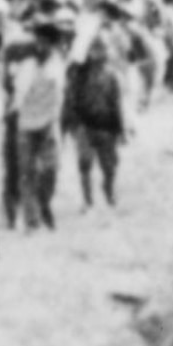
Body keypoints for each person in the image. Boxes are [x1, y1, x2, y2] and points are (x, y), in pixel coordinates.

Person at [65, 29, 130, 210]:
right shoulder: (78, 75)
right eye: (95, 50)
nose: (98, 54)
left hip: (106, 125)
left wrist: (121, 130)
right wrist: (72, 124)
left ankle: (108, 190)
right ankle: (87, 200)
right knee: (84, 164)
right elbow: (71, 100)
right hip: (84, 125)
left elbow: (117, 104)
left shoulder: (112, 76)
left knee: (109, 166)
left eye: (101, 50)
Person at [12, 24, 67, 232]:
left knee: (51, 169)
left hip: (49, 122)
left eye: (45, 42)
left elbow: (60, 95)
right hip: (26, 122)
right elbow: (19, 93)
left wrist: (57, 118)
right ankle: (31, 219)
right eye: (39, 41)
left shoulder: (57, 65)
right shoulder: (27, 65)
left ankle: (44, 202)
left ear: (52, 45)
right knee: (26, 172)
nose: (40, 45)